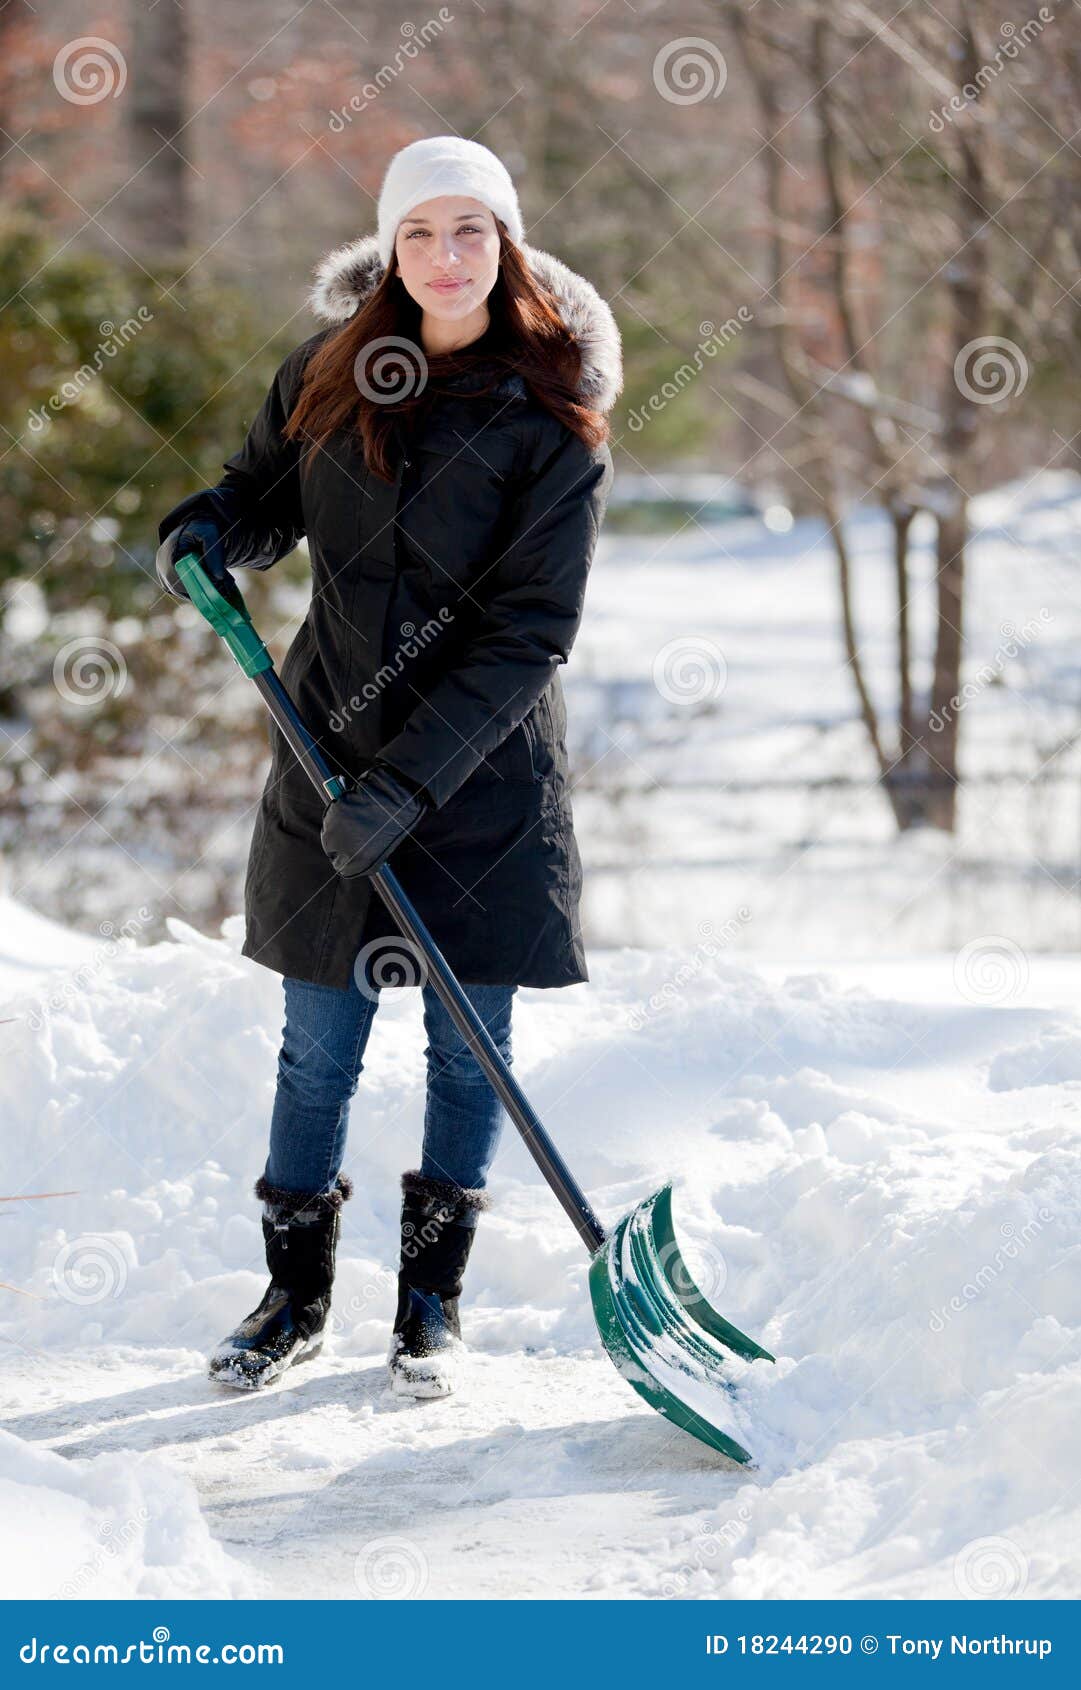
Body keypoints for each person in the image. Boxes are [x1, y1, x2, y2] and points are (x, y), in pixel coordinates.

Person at [155, 135, 621, 1398]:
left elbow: (531, 630)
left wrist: (413, 783)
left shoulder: (552, 412)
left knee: (468, 1049)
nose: (447, 255)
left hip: (480, 777)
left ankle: (431, 1308)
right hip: (327, 748)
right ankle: (291, 1300)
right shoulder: (328, 371)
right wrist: (208, 528)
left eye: (472, 229)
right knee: (317, 1045)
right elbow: (261, 493)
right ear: (391, 249)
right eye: (422, 232)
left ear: (507, 244)